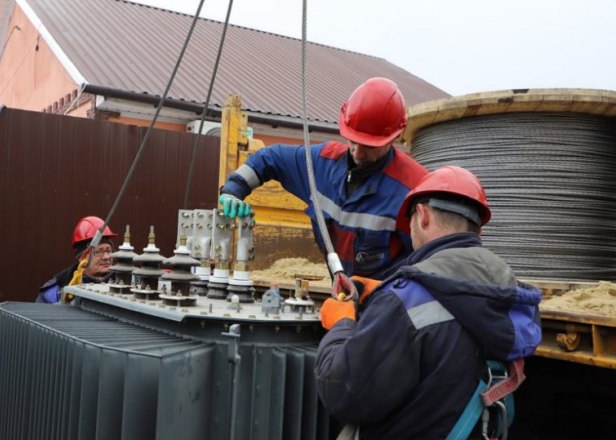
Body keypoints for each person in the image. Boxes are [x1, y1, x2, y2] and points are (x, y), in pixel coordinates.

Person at [315, 166, 542, 439]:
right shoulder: (506, 290)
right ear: (477, 228)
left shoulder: (405, 302)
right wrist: (386, 296)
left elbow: (343, 393)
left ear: (421, 216)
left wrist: (342, 323)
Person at [219, 77, 428, 279]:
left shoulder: (414, 188)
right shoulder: (320, 165)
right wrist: (233, 190)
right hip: (343, 293)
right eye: (353, 140)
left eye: (369, 146)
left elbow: (431, 262)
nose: (357, 152)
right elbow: (270, 158)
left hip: (390, 302)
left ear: (395, 137)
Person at [36, 216, 117, 304]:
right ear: (82, 258)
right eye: (99, 252)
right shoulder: (55, 290)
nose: (106, 257)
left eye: (109, 251)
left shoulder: (126, 283)